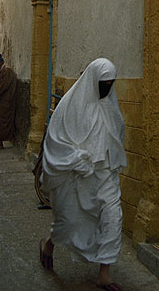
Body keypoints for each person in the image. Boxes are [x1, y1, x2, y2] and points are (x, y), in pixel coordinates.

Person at [39, 58, 127, 291]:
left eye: (111, 83)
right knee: (68, 222)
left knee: (112, 219)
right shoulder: (71, 105)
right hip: (76, 176)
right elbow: (56, 140)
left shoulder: (110, 106)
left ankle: (104, 274)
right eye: (103, 83)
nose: (107, 87)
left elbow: (117, 136)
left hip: (106, 175)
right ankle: (49, 244)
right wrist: (77, 158)